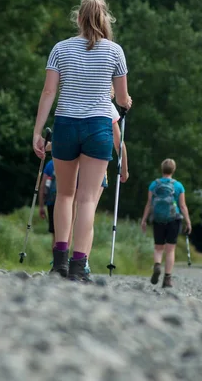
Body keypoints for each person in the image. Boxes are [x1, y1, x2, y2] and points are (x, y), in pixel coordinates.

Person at [33, 0, 132, 282]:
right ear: (105, 20)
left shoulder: (60, 49)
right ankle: (79, 266)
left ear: (78, 19)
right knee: (87, 199)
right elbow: (122, 99)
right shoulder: (115, 52)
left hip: (65, 124)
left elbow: (49, 92)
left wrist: (37, 132)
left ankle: (59, 262)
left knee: (64, 195)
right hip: (99, 127)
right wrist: (127, 102)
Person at [71, 98, 129, 275]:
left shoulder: (81, 101)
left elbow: (118, 142)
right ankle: (80, 259)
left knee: (77, 212)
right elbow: (118, 142)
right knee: (84, 213)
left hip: (79, 168)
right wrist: (124, 170)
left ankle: (74, 258)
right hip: (92, 170)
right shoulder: (105, 106)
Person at [141, 159, 191, 288]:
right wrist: (188, 222)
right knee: (170, 250)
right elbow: (183, 206)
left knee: (158, 248)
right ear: (173, 170)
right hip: (174, 219)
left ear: (162, 169)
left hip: (158, 219)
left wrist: (144, 220)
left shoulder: (154, 185)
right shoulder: (178, 186)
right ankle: (167, 279)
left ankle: (157, 265)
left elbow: (149, 204)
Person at [39, 158, 57, 248]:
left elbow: (43, 186)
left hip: (52, 203)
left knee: (55, 235)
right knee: (67, 233)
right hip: (69, 203)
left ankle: (56, 260)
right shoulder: (72, 159)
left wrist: (41, 206)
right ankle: (65, 260)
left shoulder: (51, 164)